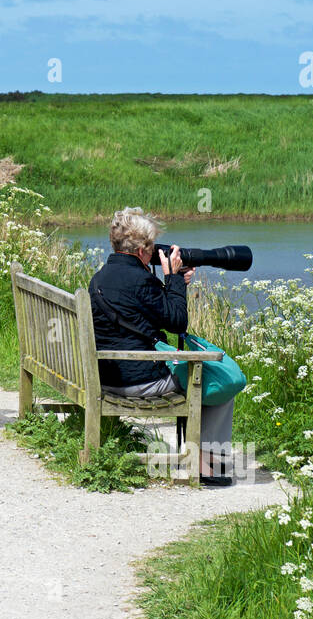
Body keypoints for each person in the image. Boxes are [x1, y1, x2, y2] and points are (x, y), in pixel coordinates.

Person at [88, 207, 235, 486]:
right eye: (152, 245)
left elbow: (152, 309)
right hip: (138, 380)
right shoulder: (141, 280)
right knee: (219, 379)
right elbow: (177, 322)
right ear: (143, 249)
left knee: (206, 374)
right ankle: (207, 465)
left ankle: (205, 458)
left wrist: (174, 283)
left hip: (105, 375)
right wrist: (175, 280)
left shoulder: (101, 277)